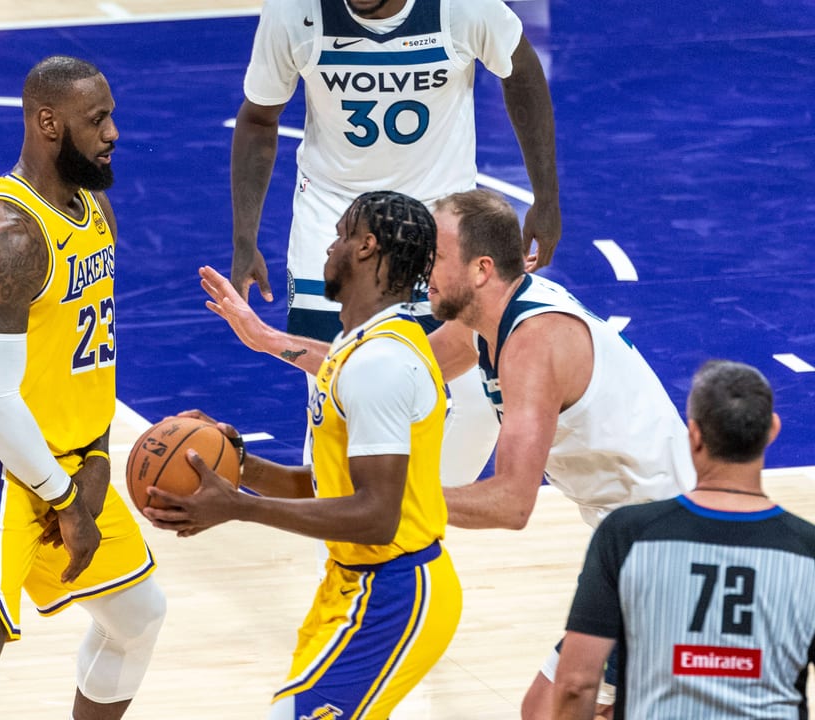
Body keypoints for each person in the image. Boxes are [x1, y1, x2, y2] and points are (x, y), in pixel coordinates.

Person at [198, 188, 696, 718]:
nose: (422, 270)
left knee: (554, 708)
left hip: (668, 551)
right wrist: (268, 339)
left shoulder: (534, 343)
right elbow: (378, 363)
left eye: (436, 257)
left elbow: (512, 504)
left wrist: (393, 500)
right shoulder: (484, 322)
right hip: (632, 542)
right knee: (558, 708)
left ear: (481, 269)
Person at [0, 56, 166, 720]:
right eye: (97, 119)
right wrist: (68, 502)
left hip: (71, 462)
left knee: (136, 613)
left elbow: (86, 353)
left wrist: (97, 456)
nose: (114, 133)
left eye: (111, 116)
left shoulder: (93, 208)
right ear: (49, 122)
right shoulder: (8, 236)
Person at [145, 191, 462, 720]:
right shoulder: (355, 347)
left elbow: (377, 517)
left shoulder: (380, 363)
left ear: (366, 247)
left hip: (395, 591)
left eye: (340, 234)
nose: (330, 247)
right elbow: (325, 488)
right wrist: (237, 464)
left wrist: (240, 508)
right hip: (356, 583)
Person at [230, 0, 561, 484]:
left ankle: (421, 518)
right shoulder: (294, 12)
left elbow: (522, 70)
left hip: (438, 220)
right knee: (337, 392)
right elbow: (258, 118)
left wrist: (546, 197)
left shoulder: (462, 8)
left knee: (473, 393)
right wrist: (245, 237)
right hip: (336, 221)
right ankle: (349, 543)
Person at [553, 360, 815, 720]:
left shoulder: (625, 534)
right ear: (772, 431)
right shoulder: (808, 549)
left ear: (693, 435)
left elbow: (575, 684)